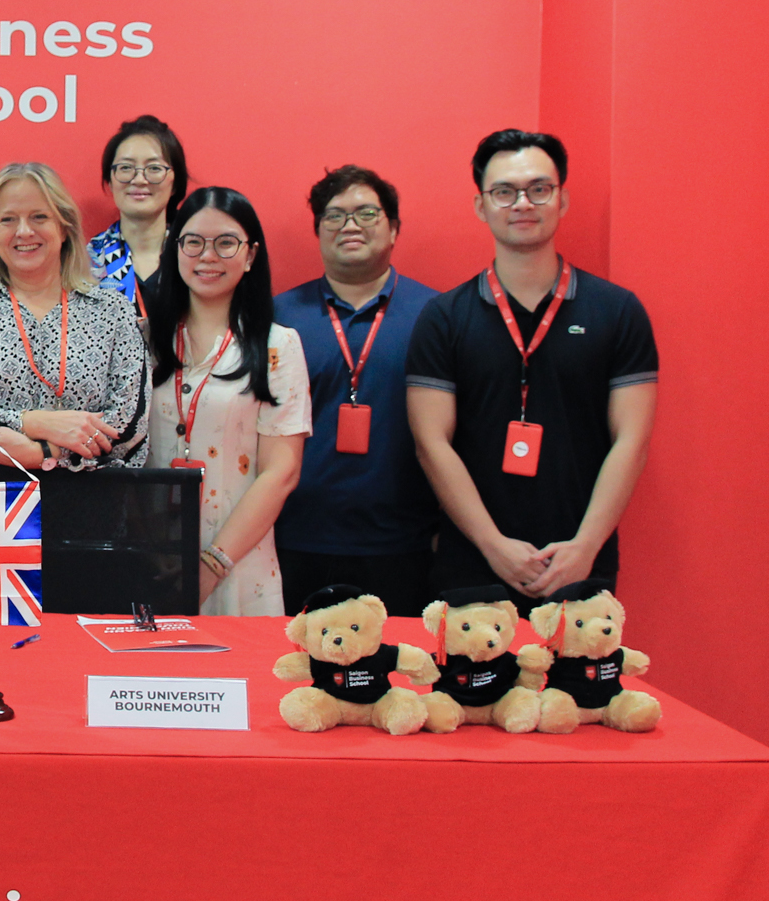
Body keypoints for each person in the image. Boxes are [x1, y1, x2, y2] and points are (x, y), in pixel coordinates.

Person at [406, 130, 658, 604]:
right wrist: (492, 545)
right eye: (504, 192)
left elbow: (633, 439)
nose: (522, 203)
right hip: (473, 564)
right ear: (481, 206)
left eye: (539, 189)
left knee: (576, 681)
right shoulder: (444, 317)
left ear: (561, 200)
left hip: (581, 563)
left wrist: (585, 547)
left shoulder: (617, 311)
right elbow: (431, 442)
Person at [271, 166, 443, 616]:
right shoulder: (279, 316)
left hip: (404, 543)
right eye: (334, 215)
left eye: (366, 213)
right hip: (293, 540)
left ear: (394, 228)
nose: (350, 225)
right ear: (318, 231)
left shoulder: (437, 315)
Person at [0, 161, 150, 475]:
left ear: (64, 227)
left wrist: (40, 453)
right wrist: (32, 422)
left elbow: (129, 422)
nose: (24, 231)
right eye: (8, 219)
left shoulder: (112, 312)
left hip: (90, 508)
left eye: (39, 217)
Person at [145, 187, 311, 616]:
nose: (208, 256)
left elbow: (282, 472)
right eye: (193, 241)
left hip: (240, 564)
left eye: (226, 243)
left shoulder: (279, 346)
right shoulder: (141, 341)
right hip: (149, 559)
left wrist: (212, 565)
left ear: (250, 255)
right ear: (174, 248)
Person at [88, 114, 188, 311]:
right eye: (126, 168)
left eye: (154, 168)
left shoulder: (194, 255)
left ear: (175, 182)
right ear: (110, 179)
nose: (139, 179)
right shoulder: (85, 262)